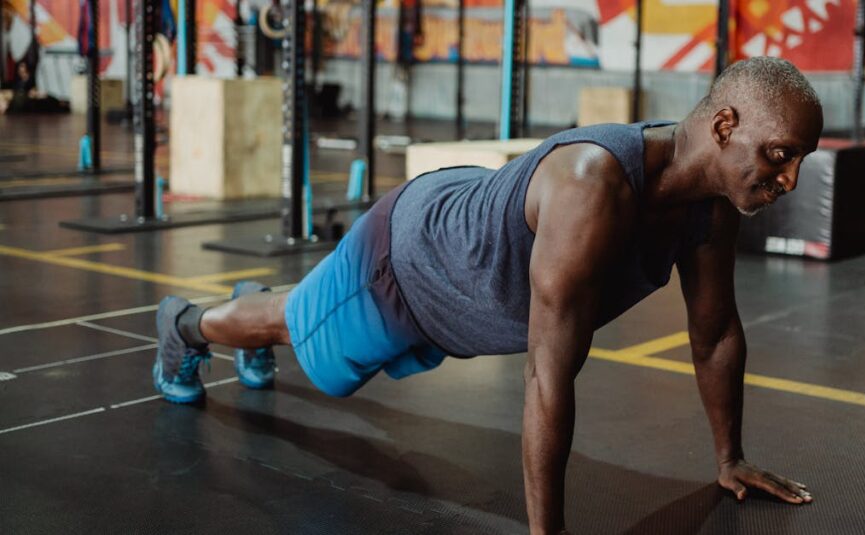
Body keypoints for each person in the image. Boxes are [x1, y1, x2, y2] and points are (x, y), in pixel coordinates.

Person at [153, 56, 823, 533]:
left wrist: (729, 456)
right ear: (726, 125)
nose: (789, 178)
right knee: (296, 331)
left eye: (799, 161)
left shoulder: (711, 207)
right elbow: (545, 373)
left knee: (304, 319)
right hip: (408, 266)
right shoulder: (593, 190)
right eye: (780, 154)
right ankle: (183, 326)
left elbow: (715, 334)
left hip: (463, 276)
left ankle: (269, 302)